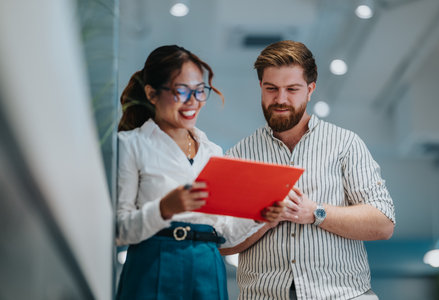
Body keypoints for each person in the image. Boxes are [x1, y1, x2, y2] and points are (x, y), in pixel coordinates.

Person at [221, 40, 396, 300]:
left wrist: (315, 212)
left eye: (292, 89)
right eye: (271, 88)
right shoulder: (238, 156)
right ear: (260, 87)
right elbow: (223, 243)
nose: (280, 99)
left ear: (310, 89)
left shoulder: (345, 144)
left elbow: (383, 223)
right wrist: (264, 220)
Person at [115, 45, 283, 300]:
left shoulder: (213, 152)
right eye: (181, 90)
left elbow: (223, 233)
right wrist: (164, 208)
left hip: (208, 265)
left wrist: (260, 215)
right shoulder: (130, 145)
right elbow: (118, 230)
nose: (193, 101)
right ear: (152, 94)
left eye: (200, 91)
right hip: (154, 261)